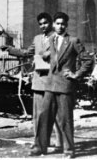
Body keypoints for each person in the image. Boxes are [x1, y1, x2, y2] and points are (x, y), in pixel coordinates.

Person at [33, 12, 93, 158]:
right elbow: (45, 53)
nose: (60, 26)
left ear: (66, 25)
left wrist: (76, 74)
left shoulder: (73, 41)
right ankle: (40, 147)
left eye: (63, 24)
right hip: (50, 84)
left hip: (65, 86)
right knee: (43, 117)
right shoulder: (52, 39)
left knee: (65, 119)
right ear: (54, 24)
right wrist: (44, 56)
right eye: (57, 23)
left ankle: (69, 150)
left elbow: (88, 60)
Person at [1, 12, 62, 151]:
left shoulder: (58, 38)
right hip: (39, 81)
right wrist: (10, 50)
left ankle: (60, 143)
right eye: (40, 24)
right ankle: (39, 143)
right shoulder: (37, 39)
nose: (43, 26)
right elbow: (27, 53)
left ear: (51, 23)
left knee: (56, 113)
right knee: (38, 115)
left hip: (53, 81)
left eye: (45, 23)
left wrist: (50, 54)